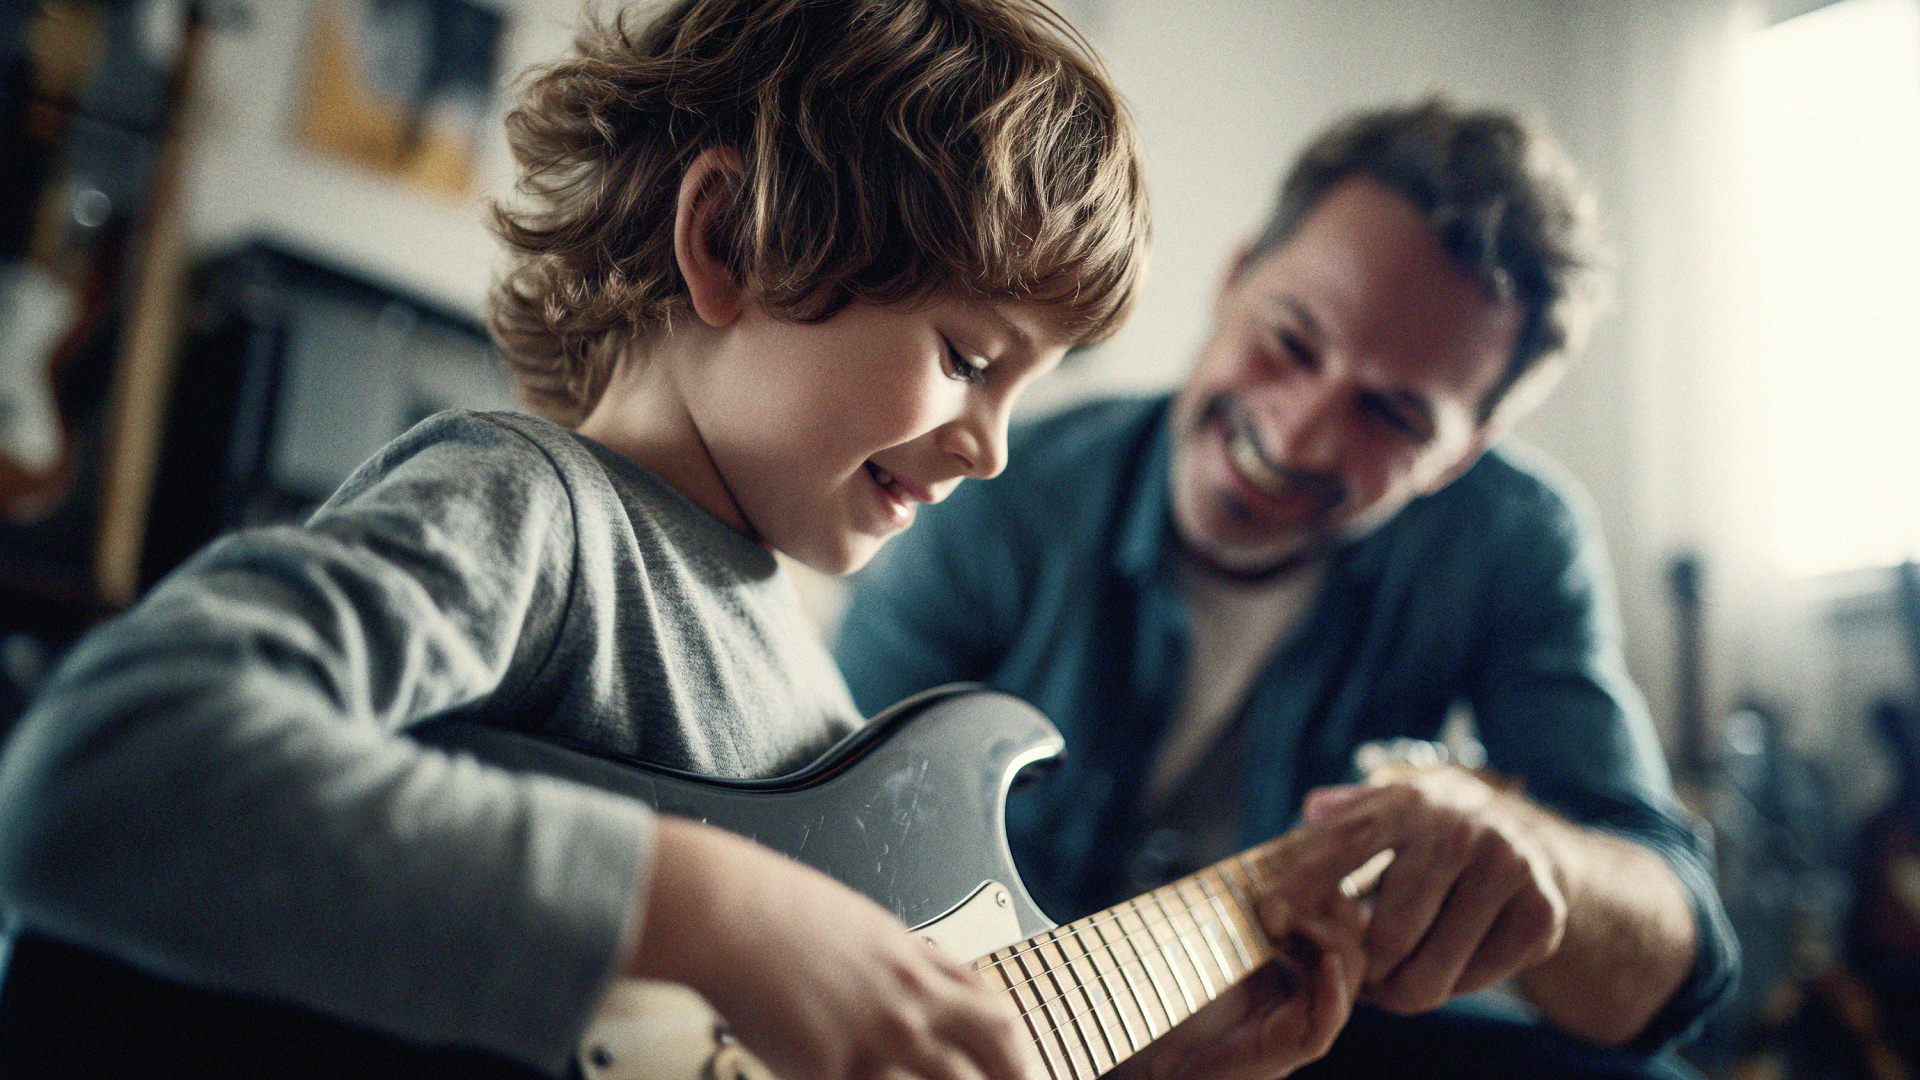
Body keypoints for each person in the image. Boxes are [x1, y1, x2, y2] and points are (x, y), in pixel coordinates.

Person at [0, 2, 1358, 1078]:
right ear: (730, 239)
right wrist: (699, 904)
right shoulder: (534, 511)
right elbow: (101, 769)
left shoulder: (834, 725)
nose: (991, 446)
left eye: (1024, 390)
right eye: (965, 355)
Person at [835, 97, 1741, 1079]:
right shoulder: (994, 490)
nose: (1297, 435)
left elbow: (1674, 969)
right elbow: (829, 839)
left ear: (1459, 454)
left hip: (1322, 1039)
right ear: (1232, 280)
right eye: (1293, 342)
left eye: (1391, 414)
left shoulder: (1517, 535)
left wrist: (1539, 858)